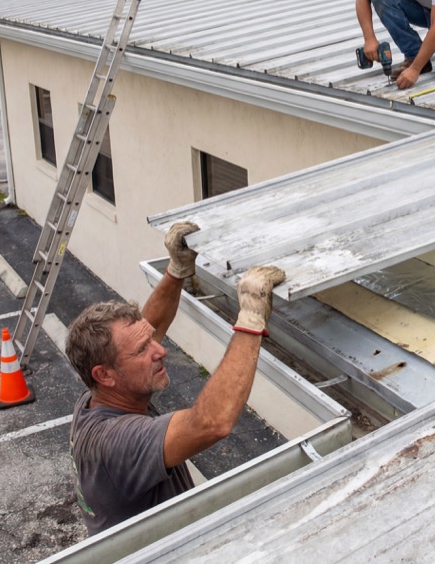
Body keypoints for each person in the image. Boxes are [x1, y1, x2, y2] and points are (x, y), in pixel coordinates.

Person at [64, 221, 285, 534]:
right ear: (105, 375)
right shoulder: (119, 443)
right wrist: (250, 317)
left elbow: (147, 327)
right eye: (144, 350)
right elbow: (211, 423)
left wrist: (177, 270)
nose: (161, 351)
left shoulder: (95, 397)